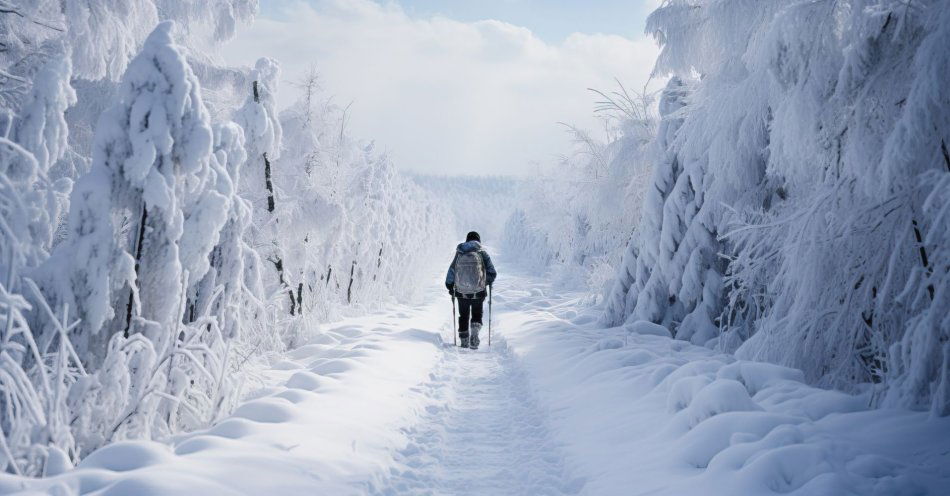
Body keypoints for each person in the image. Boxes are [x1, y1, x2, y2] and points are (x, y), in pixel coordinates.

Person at [445, 231, 497, 349]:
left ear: (467, 240)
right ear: (478, 240)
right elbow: (492, 273)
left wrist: (449, 285)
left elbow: (452, 270)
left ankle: (464, 341)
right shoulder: (482, 253)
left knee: (463, 315)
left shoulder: (460, 252)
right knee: (477, 313)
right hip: (478, 292)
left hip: (461, 292)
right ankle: (474, 331)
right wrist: (484, 282)